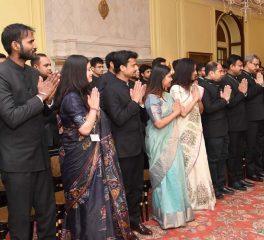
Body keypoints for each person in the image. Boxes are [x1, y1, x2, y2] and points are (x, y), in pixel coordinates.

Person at [55, 55, 136, 239]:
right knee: (86, 202)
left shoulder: (82, 94)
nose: (91, 72)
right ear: (77, 73)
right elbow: (84, 128)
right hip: (79, 160)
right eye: (87, 69)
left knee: (98, 200)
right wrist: (93, 109)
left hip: (93, 154)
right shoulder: (71, 98)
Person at [0, 23, 59, 239]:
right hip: (17, 162)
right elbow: (12, 117)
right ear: (15, 45)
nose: (35, 46)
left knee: (47, 215)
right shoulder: (2, 74)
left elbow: (43, 114)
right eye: (30, 41)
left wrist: (49, 101)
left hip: (40, 156)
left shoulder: (33, 74)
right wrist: (40, 98)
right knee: (20, 221)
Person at [102, 50, 152, 236]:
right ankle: (120, 228)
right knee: (122, 190)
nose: (136, 68)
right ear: (122, 67)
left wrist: (140, 104)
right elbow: (119, 118)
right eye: (133, 65)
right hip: (122, 148)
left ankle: (134, 221)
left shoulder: (131, 85)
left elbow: (143, 118)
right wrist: (134, 102)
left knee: (136, 187)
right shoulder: (110, 89)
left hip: (137, 146)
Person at [145, 64, 194, 229]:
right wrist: (174, 112)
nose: (171, 79)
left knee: (175, 175)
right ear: (160, 78)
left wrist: (193, 98)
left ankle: (180, 213)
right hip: (159, 141)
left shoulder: (167, 95)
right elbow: (158, 123)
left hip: (173, 139)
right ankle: (167, 215)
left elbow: (181, 112)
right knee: (165, 176)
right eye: (168, 76)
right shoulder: (151, 98)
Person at [170, 58, 216, 210]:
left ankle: (202, 199)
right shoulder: (175, 89)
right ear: (185, 71)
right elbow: (182, 112)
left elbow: (200, 110)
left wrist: (199, 98)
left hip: (197, 129)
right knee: (187, 165)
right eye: (194, 70)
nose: (196, 73)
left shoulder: (193, 87)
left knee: (200, 163)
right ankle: (187, 200)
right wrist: (195, 97)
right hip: (184, 132)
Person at [199, 61, 232, 199]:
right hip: (212, 129)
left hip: (223, 127)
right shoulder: (203, 86)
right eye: (220, 71)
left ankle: (221, 185)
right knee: (214, 159)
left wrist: (225, 99)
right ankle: (214, 188)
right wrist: (224, 100)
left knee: (223, 156)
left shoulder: (217, 84)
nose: (222, 74)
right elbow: (209, 108)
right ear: (211, 73)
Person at [222, 55, 254, 188]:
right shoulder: (226, 81)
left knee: (240, 152)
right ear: (231, 66)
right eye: (239, 65)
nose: (241, 68)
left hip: (241, 121)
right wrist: (242, 93)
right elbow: (229, 103)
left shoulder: (236, 79)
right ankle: (233, 180)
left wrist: (243, 92)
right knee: (233, 153)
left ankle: (240, 177)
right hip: (233, 123)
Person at [241, 54, 264, 180]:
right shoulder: (243, 77)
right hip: (251, 115)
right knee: (251, 145)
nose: (258, 67)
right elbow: (247, 95)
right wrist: (259, 85)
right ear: (248, 63)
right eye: (255, 64)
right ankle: (250, 171)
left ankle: (258, 168)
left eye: (258, 64)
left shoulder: (255, 76)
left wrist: (261, 84)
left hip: (260, 114)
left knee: (259, 144)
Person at [31, 53, 60, 148]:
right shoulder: (30, 85)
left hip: (55, 133)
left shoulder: (53, 81)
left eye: (50, 65)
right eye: (46, 65)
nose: (49, 68)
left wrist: (50, 101)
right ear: (36, 67)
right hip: (37, 135)